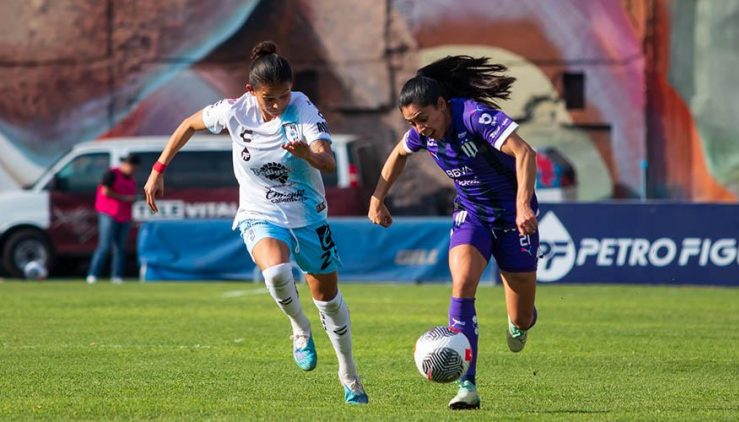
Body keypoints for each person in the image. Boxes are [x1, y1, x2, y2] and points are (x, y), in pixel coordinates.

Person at [143, 41, 368, 405]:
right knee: (276, 272)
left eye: (283, 95)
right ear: (251, 91)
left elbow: (327, 162)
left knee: (327, 300)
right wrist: (158, 169)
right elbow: (188, 125)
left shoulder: (302, 109)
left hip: (309, 216)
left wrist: (307, 154)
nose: (278, 105)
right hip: (259, 212)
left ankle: (349, 375)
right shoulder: (233, 111)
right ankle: (300, 328)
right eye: (269, 98)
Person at [368, 55, 540, 410]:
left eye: (423, 119)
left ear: (442, 104)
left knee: (522, 317)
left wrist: (523, 205)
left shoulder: (473, 116)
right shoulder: (422, 135)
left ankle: (520, 321)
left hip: (513, 219)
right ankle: (467, 386)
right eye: (412, 122)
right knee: (462, 284)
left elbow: (525, 153)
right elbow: (398, 154)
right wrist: (377, 198)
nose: (419, 128)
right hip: (472, 215)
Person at [86, 153, 140, 284]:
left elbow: (130, 199)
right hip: (109, 214)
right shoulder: (111, 174)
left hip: (124, 216)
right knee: (104, 246)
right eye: (131, 166)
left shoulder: (131, 180)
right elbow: (105, 191)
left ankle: (117, 276)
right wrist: (125, 198)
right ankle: (93, 275)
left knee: (120, 248)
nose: (132, 170)